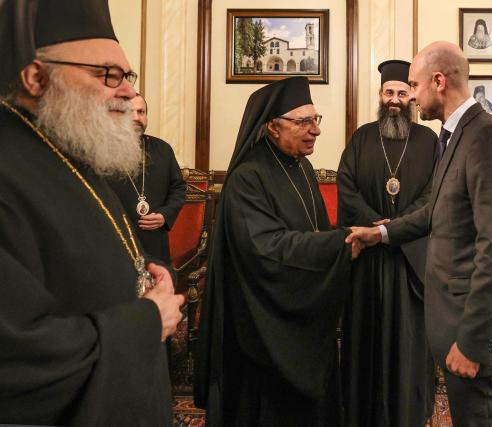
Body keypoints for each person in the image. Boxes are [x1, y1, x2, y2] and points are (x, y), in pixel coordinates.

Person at [0, 0, 184, 426]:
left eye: (128, 77)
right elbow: (16, 356)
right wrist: (146, 323)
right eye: (108, 75)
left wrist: (148, 268)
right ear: (36, 76)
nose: (128, 92)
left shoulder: (70, 151)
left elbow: (89, 253)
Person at [346, 41, 492, 427]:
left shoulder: (487, 136)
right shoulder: (454, 134)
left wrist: (473, 342)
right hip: (457, 324)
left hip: (475, 333)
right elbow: (436, 213)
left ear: (439, 81)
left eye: (413, 85)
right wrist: (379, 234)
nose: (410, 96)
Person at [194, 76, 361, 426]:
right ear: (272, 126)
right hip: (262, 323)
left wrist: (337, 240)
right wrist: (340, 242)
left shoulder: (302, 167)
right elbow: (266, 249)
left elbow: (314, 229)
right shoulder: (247, 178)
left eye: (316, 120)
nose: (315, 130)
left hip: (301, 310)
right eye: (303, 121)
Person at [337, 59, 437, 427]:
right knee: (365, 337)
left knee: (409, 342)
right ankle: (361, 411)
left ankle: (407, 413)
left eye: (402, 92)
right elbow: (345, 187)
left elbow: (433, 195)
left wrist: (397, 226)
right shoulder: (362, 137)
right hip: (367, 257)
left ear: (413, 95)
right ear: (380, 95)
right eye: (388, 92)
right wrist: (372, 224)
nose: (395, 99)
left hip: (409, 259)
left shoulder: (429, 140)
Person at [108, 93, 186, 264]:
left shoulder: (163, 149)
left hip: (154, 242)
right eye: (130, 112)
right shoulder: (102, 152)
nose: (137, 117)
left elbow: (178, 189)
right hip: (115, 242)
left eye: (141, 112)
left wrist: (165, 215)